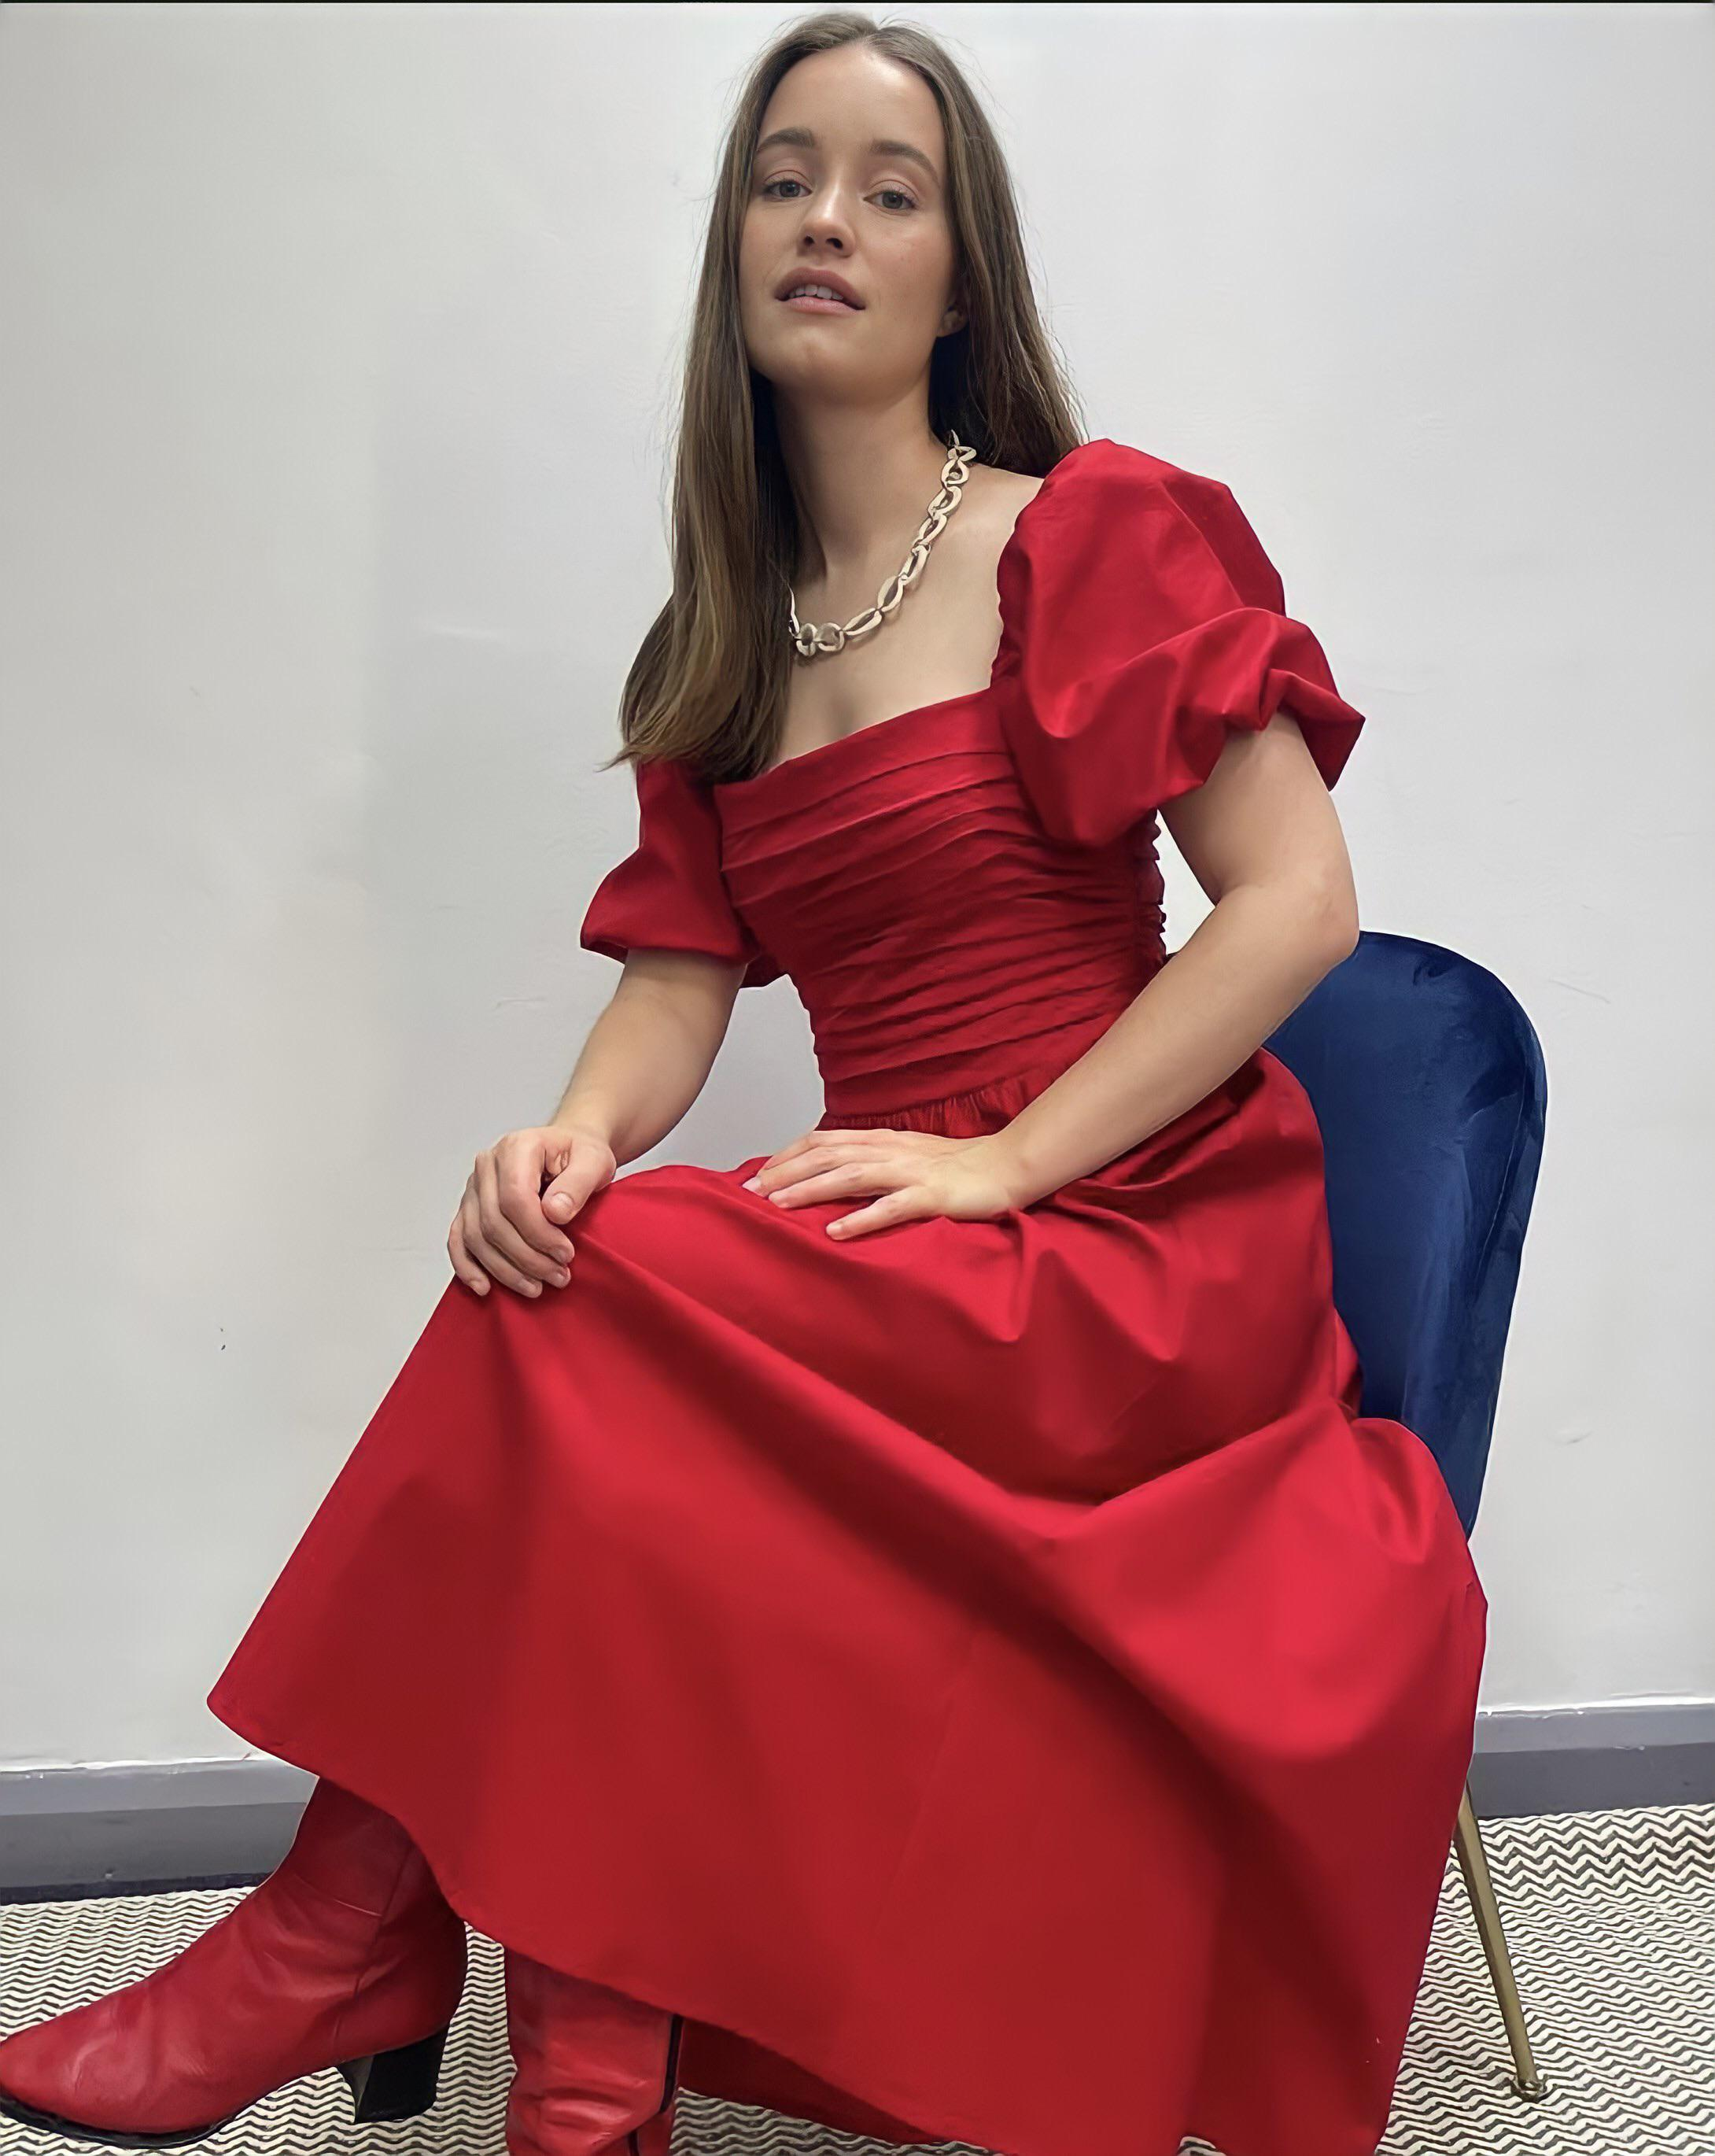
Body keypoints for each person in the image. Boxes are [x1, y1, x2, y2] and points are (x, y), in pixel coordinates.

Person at [0, 13, 1488, 2156]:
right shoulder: (721, 644)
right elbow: (675, 986)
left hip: (1129, 1238)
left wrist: (1008, 1164)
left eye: (891, 190)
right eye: (786, 178)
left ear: (959, 280)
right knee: (564, 1253)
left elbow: (1297, 903)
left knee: (609, 1294)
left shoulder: (1093, 532)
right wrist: (573, 1134)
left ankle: (355, 1937)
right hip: (914, 1230)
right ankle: (577, 2059)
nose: (827, 221)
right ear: (732, 249)